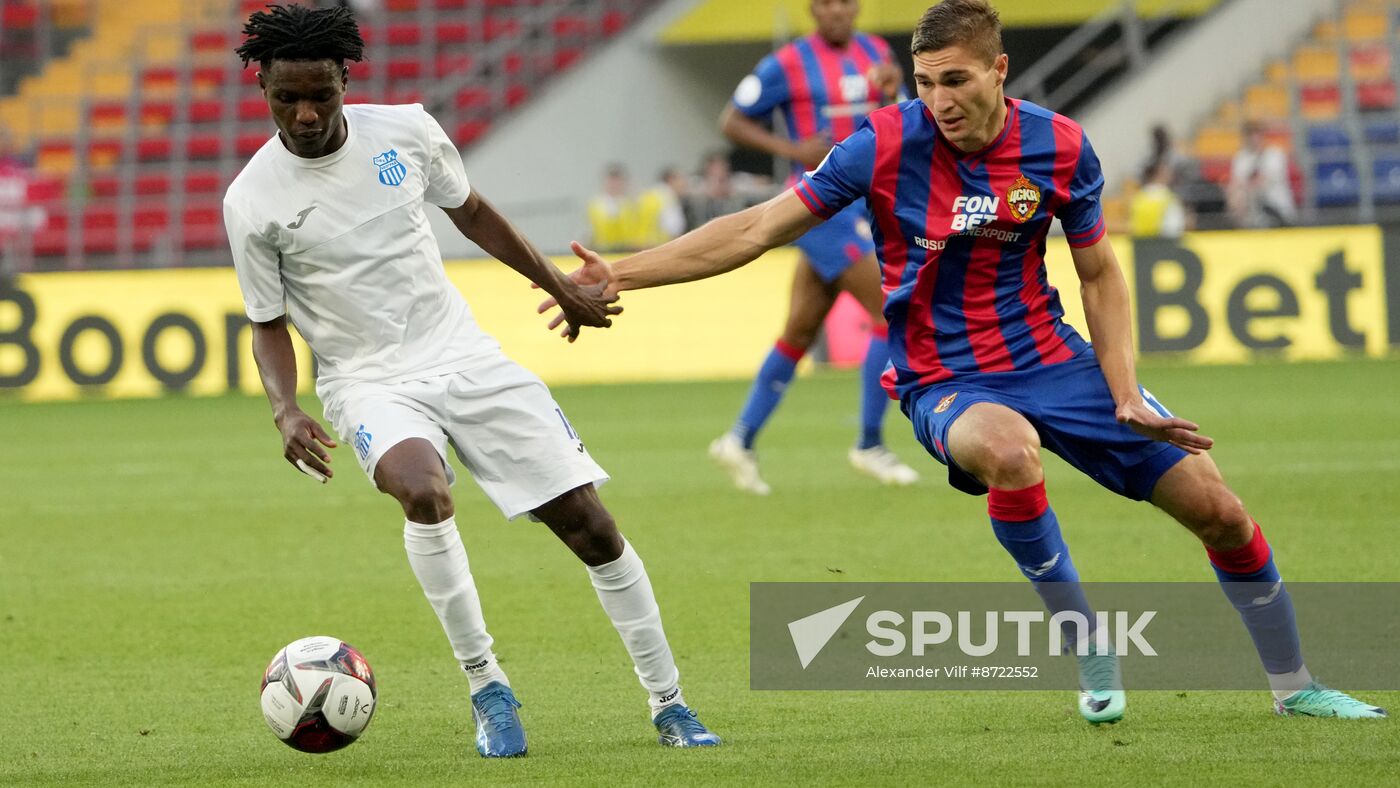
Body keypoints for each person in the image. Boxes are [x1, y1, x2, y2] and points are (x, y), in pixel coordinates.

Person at [545, 0, 1386, 723]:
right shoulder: (879, 146)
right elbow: (754, 229)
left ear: (999, 71)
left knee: (1222, 511)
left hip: (1058, 360)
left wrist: (1125, 391)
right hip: (943, 378)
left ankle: (1297, 688)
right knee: (1011, 453)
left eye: (956, 80)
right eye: (924, 82)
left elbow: (1099, 272)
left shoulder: (1059, 147)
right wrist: (618, 271)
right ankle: (1087, 643)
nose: (939, 100)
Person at [223, 4, 720, 757]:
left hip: (465, 354)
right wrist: (284, 407)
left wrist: (559, 283)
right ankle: (488, 689)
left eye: (319, 93)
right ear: (261, 88)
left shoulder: (409, 132)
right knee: (423, 490)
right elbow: (266, 320)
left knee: (592, 527)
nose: (304, 113)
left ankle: (671, 704)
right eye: (286, 97)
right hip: (367, 380)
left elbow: (475, 213)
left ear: (344, 80)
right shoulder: (251, 199)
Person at [710, 0, 918, 494]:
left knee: (799, 332)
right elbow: (732, 121)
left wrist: (895, 92)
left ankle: (738, 440)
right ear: (812, 9)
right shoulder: (786, 63)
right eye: (826, 3)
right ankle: (869, 443)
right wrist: (793, 151)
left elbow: (904, 117)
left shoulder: (874, 52)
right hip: (818, 208)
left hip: (866, 203)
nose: (837, 11)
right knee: (890, 313)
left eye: (845, 2)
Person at [1228, 120, 1297, 228]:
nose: (1254, 138)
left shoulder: (1275, 154)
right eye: (1249, 134)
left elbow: (1263, 180)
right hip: (1252, 213)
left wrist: (1244, 189)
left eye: (1257, 134)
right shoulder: (1241, 157)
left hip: (1276, 208)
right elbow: (1236, 183)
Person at [586, 162, 637, 253]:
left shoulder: (631, 205)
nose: (614, 184)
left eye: (617, 180)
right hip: (602, 253)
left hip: (627, 253)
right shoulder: (595, 206)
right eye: (611, 180)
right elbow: (588, 233)